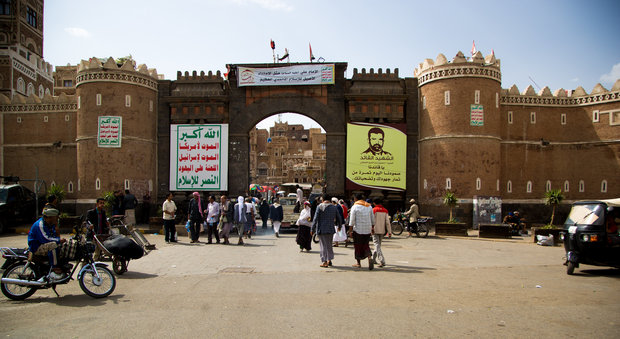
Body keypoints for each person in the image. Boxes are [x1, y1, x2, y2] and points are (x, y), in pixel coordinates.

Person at [28, 208, 66, 281]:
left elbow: (53, 235)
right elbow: (45, 239)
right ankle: (54, 267)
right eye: (56, 217)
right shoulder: (40, 225)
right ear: (50, 217)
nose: (57, 219)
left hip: (43, 245)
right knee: (53, 245)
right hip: (37, 247)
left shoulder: (50, 224)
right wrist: (59, 240)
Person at [311, 195, 343, 268]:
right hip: (330, 229)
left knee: (323, 246)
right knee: (329, 245)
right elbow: (339, 218)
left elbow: (315, 219)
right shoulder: (334, 207)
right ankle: (329, 259)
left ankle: (324, 261)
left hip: (321, 229)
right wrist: (339, 226)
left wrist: (312, 229)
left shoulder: (319, 207)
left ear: (323, 200)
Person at [349, 194, 375, 270]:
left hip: (358, 229)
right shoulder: (369, 206)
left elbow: (352, 220)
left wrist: (350, 230)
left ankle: (358, 263)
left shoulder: (355, 207)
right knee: (365, 244)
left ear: (356, 199)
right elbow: (372, 219)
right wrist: (372, 227)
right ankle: (369, 257)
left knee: (357, 245)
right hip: (367, 229)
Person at [372, 198, 392, 267]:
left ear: (375, 203)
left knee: (377, 245)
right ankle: (373, 259)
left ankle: (382, 260)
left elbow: (372, 221)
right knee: (378, 246)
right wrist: (389, 232)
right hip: (382, 230)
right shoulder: (385, 210)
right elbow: (387, 222)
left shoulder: (374, 210)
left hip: (374, 230)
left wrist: (370, 229)